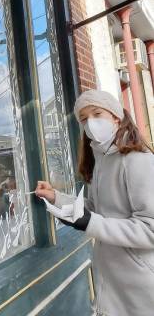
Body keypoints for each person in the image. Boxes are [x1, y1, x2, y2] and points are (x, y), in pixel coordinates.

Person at [35, 89, 154, 316]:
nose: (90, 123)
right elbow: (94, 210)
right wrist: (55, 198)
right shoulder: (101, 161)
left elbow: (151, 228)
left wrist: (90, 223)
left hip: (142, 289)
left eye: (97, 114)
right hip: (114, 282)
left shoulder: (138, 161)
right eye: (84, 119)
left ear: (116, 117)